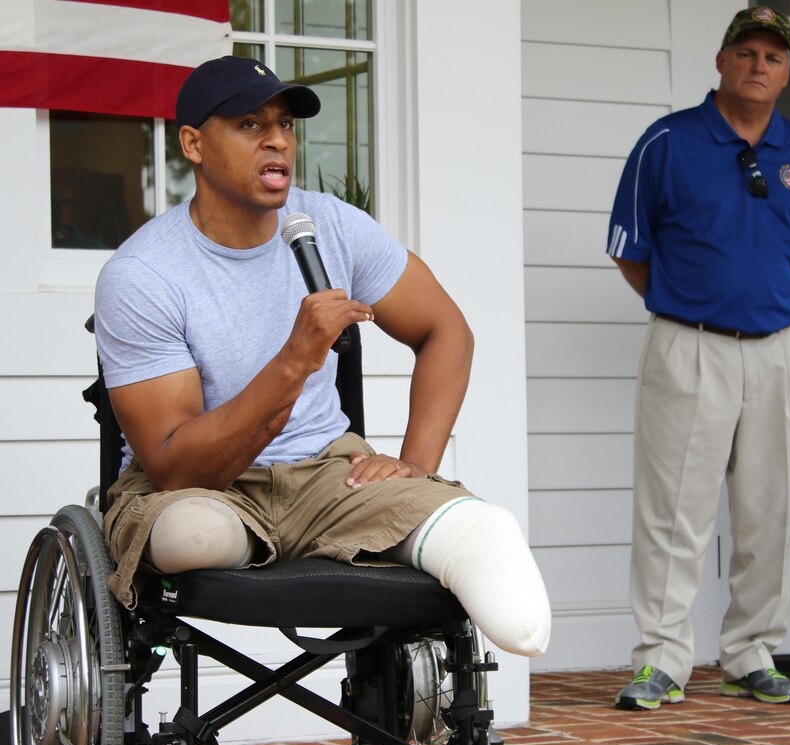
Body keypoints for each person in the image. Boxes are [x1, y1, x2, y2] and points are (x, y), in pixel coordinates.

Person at [93, 55, 551, 658]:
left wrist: (416, 465)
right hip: (203, 490)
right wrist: (295, 359)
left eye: (285, 124)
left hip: (327, 475)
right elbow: (179, 467)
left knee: (485, 530)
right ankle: (264, 536)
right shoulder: (143, 273)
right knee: (195, 535)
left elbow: (448, 331)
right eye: (251, 125)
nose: (278, 140)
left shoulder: (332, 227)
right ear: (194, 144)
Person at [606, 6, 790, 709]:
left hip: (778, 350)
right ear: (720, 60)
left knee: (768, 506)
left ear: (786, 71)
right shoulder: (666, 142)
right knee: (674, 509)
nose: (758, 65)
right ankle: (661, 659)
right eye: (746, 52)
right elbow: (631, 253)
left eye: (772, 56)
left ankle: (750, 651)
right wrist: (695, 304)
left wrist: (757, 312)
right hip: (688, 342)